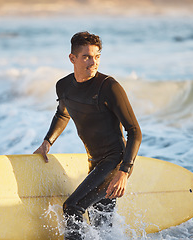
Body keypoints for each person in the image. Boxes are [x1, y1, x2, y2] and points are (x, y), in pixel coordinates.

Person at [33, 31, 142, 239]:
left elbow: (134, 131)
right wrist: (47, 142)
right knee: (101, 227)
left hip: (116, 163)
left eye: (97, 56)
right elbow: (62, 113)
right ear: (72, 58)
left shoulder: (109, 87)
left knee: (72, 207)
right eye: (87, 57)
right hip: (95, 163)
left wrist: (124, 172)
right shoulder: (64, 86)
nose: (93, 62)